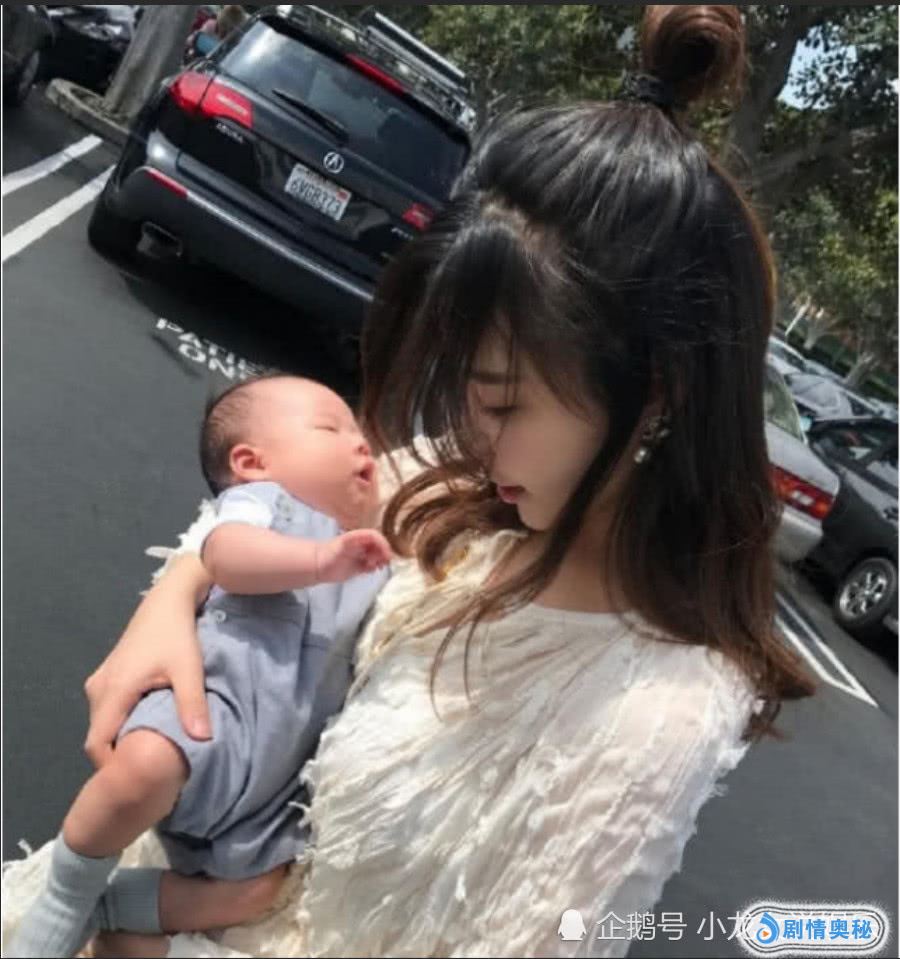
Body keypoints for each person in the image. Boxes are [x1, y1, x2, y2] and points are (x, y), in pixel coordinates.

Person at [2, 6, 818, 958]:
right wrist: (177, 594)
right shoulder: (461, 492)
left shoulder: (652, 712)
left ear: (657, 393)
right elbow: (268, 512)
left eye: (504, 403)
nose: (470, 435)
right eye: (461, 390)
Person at [6, 376, 392, 958]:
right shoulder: (270, 505)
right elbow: (227, 557)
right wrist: (319, 560)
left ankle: (115, 907)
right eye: (331, 428)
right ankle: (67, 892)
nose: (360, 443)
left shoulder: (370, 549)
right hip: (216, 707)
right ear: (252, 463)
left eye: (360, 433)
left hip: (274, 783)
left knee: (257, 891)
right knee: (141, 769)